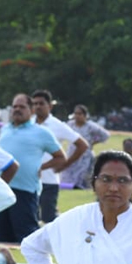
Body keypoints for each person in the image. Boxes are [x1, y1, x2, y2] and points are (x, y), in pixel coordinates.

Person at [0, 93, 65, 243]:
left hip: (25, 191)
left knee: (26, 235)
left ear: (31, 110)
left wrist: (41, 167)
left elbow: (60, 157)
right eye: (14, 107)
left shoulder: (41, 132)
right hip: (1, 190)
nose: (17, 110)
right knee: (1, 233)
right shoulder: (5, 130)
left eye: (22, 107)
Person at [31, 90, 87, 224]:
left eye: (41, 103)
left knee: (48, 219)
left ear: (50, 106)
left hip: (49, 180)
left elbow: (82, 145)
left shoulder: (57, 125)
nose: (38, 106)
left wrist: (65, 164)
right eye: (35, 104)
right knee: (30, 217)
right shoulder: (29, 124)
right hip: (30, 180)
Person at [59, 105, 109, 190]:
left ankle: (80, 189)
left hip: (85, 156)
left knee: (81, 176)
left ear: (85, 115)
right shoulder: (70, 125)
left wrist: (93, 142)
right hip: (71, 153)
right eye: (76, 114)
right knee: (67, 173)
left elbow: (105, 135)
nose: (77, 116)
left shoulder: (90, 126)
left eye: (80, 114)